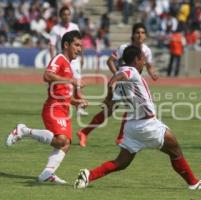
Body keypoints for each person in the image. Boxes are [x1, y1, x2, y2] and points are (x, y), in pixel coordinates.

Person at [74, 45, 201, 190]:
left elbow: (116, 88)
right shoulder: (131, 71)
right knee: (175, 150)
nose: (144, 62)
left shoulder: (124, 80)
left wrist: (109, 97)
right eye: (143, 59)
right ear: (136, 59)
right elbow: (117, 78)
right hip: (146, 125)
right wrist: (110, 88)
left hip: (132, 126)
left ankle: (89, 175)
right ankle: (193, 183)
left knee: (122, 162)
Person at [6, 30, 88, 183]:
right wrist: (71, 81)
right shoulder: (60, 58)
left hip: (63, 109)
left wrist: (76, 102)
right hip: (54, 108)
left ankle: (47, 173)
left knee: (65, 144)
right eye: (76, 45)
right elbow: (47, 75)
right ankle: (23, 131)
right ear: (66, 45)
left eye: (80, 46)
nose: (79, 49)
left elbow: (62, 93)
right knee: (61, 140)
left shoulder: (69, 65)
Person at [77, 22, 159, 147]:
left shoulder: (146, 51)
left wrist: (153, 74)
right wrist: (117, 75)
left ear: (146, 36)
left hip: (133, 84)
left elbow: (148, 66)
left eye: (142, 33)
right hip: (122, 81)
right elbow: (110, 61)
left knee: (128, 108)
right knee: (113, 110)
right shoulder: (124, 48)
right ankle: (87, 133)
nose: (140, 35)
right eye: (137, 32)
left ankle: (89, 133)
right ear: (133, 35)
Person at [49, 6, 88, 116]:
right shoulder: (55, 29)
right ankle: (59, 104)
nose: (66, 16)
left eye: (68, 14)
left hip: (74, 60)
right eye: (64, 14)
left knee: (78, 83)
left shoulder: (74, 26)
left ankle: (79, 107)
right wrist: (53, 58)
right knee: (62, 83)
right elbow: (51, 45)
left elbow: (80, 42)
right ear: (60, 16)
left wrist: (82, 56)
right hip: (62, 59)